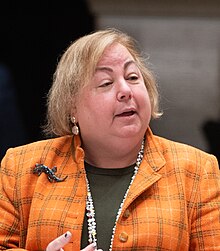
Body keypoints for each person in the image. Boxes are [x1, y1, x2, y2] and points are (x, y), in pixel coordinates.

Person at [0, 28, 219, 251]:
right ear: (72, 106)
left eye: (133, 77)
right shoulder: (20, 167)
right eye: (106, 83)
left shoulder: (197, 172)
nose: (125, 90)